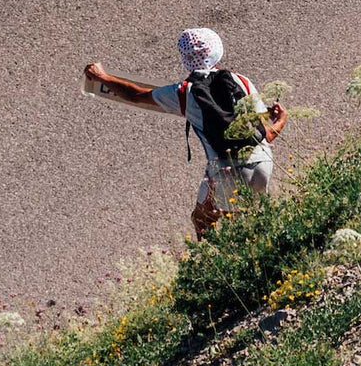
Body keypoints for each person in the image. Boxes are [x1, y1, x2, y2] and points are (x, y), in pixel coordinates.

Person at [84, 28, 288, 237]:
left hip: (226, 173)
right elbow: (266, 134)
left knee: (204, 220)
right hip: (263, 164)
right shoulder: (242, 82)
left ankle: (207, 264)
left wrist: (102, 76)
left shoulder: (183, 93)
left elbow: (136, 95)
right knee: (249, 223)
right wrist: (281, 120)